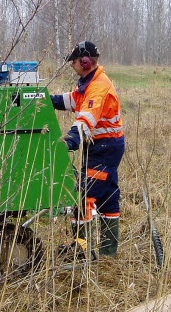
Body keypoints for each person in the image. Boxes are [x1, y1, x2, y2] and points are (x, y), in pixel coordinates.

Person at [52, 41, 125, 259]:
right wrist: (46, 101)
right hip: (104, 146)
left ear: (85, 62)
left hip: (104, 148)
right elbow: (74, 100)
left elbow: (87, 117)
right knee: (108, 197)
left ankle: (81, 250)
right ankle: (108, 253)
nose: (72, 66)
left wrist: (73, 138)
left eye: (73, 63)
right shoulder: (90, 82)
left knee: (82, 195)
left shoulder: (98, 87)